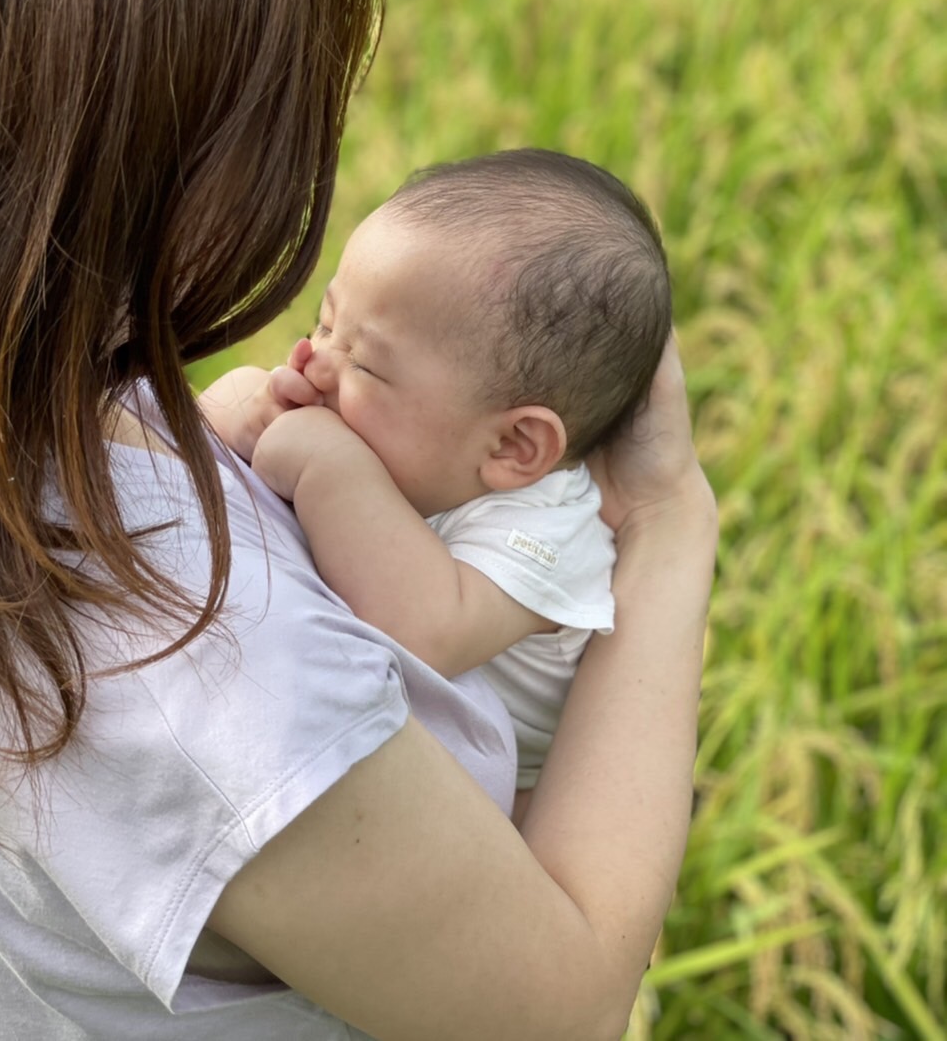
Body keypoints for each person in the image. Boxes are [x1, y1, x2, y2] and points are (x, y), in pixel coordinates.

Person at [0, 0, 717, 1041]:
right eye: (279, 100)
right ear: (136, 148)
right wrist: (666, 530)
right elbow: (557, 1008)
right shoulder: (182, 638)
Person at [201, 149, 672, 799]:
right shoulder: (407, 446)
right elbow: (181, 445)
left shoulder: (550, 528)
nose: (317, 361)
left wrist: (327, 466)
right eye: (328, 322)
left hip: (510, 831)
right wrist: (244, 408)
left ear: (513, 446)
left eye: (366, 366)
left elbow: (424, 628)